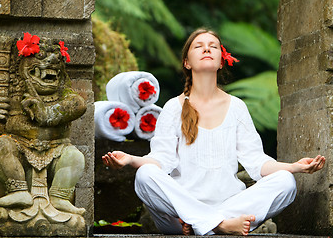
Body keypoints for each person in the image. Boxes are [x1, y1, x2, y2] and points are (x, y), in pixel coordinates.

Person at [102, 28, 326, 236]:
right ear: (187, 63)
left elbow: (257, 162)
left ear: (221, 61)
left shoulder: (236, 107)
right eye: (198, 45)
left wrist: (295, 167)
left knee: (286, 182)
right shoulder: (173, 107)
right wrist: (131, 159)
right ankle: (219, 226)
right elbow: (161, 160)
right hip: (178, 213)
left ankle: (207, 223)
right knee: (144, 176)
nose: (207, 48)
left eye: (213, 45)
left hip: (226, 209)